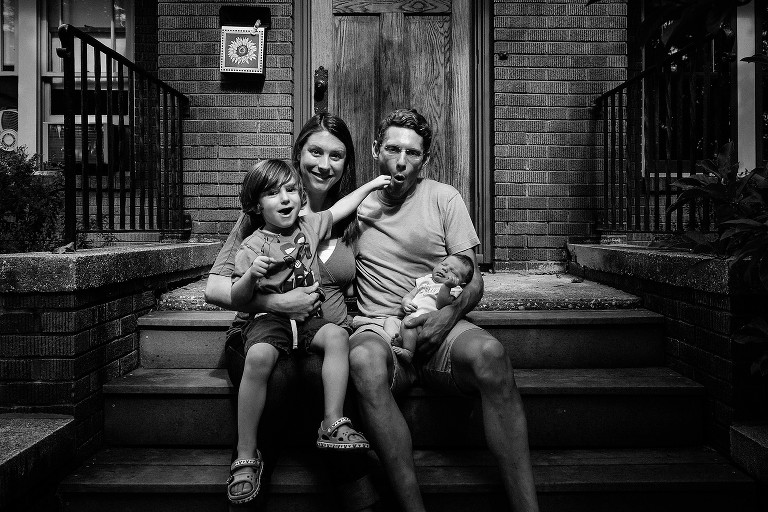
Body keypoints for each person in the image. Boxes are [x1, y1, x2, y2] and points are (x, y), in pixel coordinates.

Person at [348, 108, 540, 512]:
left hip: (440, 323)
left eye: (413, 153)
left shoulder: (443, 197)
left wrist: (446, 318)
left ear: (425, 159)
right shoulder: (355, 205)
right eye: (392, 149)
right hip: (384, 331)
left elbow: (473, 280)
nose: (401, 161)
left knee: (492, 356)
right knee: (363, 360)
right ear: (374, 150)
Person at [204, 113, 380, 511]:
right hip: (259, 329)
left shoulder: (335, 218)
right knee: (280, 376)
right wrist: (274, 303)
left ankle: (342, 458)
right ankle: (251, 466)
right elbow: (216, 290)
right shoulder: (257, 219)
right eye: (315, 151)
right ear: (298, 154)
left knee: (325, 369)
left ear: (346, 163)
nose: (324, 163)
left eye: (336, 155)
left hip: (317, 331)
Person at [382, 254, 474, 363]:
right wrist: (406, 302)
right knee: (390, 321)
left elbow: (441, 305)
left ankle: (408, 351)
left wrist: (446, 287)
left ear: (461, 281)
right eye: (443, 264)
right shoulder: (426, 280)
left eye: (452, 272)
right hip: (409, 319)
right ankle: (397, 339)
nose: (445, 269)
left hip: (424, 325)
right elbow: (410, 295)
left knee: (408, 323)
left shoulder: (454, 289)